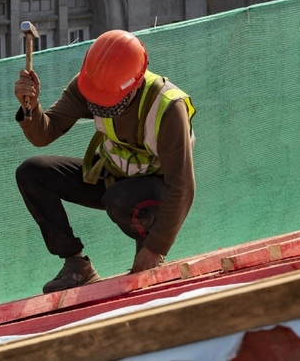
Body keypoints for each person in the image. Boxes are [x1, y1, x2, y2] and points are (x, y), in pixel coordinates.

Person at [14, 29, 196, 293]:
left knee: (119, 198)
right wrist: (30, 108)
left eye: (109, 103)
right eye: (96, 102)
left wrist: (155, 249)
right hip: (113, 177)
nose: (99, 107)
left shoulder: (167, 108)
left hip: (156, 191)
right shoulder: (91, 85)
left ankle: (148, 261)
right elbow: (45, 132)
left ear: (133, 85)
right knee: (32, 173)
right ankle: (77, 267)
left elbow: (183, 187)